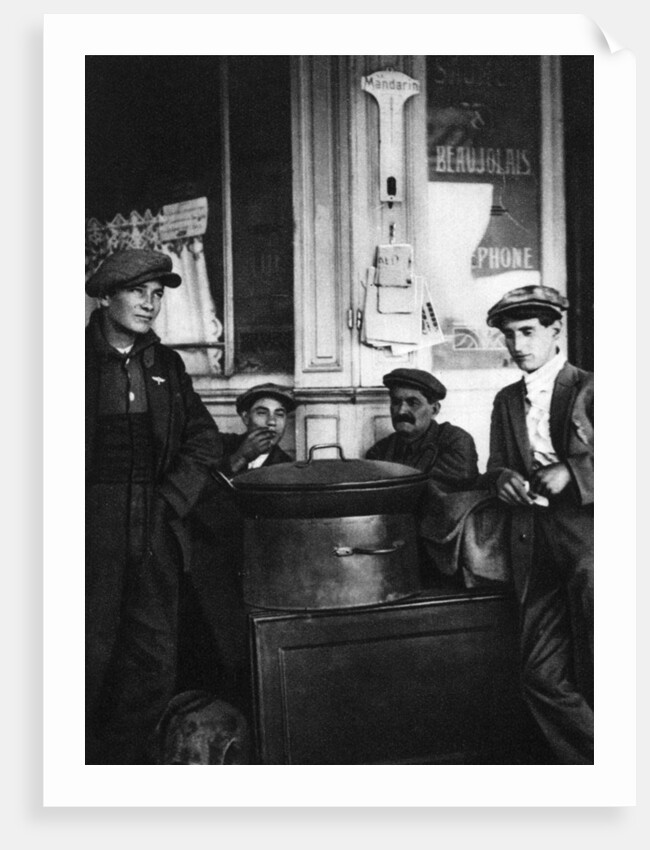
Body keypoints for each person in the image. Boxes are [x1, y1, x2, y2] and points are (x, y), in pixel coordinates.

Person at [85, 248, 223, 764]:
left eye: (158, 294)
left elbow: (204, 440)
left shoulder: (166, 365)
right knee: (85, 650)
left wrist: (171, 499)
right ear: (106, 295)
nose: (150, 304)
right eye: (138, 292)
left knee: (153, 656)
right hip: (86, 525)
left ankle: (125, 768)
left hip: (155, 523)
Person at [479, 284, 594, 765]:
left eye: (528, 332)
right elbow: (497, 465)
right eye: (509, 336)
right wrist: (502, 479)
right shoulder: (506, 400)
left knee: (605, 665)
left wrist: (575, 469)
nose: (518, 345)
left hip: (591, 541)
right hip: (532, 542)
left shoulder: (591, 387)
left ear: (554, 330)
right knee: (540, 676)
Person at [185, 384, 296, 712]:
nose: (271, 423)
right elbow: (190, 498)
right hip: (203, 564)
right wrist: (237, 460)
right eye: (262, 412)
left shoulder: (287, 468)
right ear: (245, 416)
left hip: (252, 572)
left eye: (280, 415)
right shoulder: (217, 448)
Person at [366, 368, 479, 492]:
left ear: (434, 410)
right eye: (396, 402)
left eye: (413, 403)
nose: (401, 411)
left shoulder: (456, 441)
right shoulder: (380, 451)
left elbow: (434, 494)